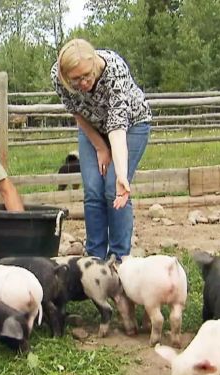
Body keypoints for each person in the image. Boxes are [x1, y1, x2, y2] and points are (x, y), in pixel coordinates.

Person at [51, 38, 152, 260]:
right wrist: (99, 147)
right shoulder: (58, 78)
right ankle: (95, 258)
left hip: (131, 125)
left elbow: (117, 127)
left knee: (112, 188)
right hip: (92, 126)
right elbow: (77, 112)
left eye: (87, 75)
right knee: (93, 190)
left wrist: (121, 175)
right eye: (75, 79)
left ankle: (118, 258)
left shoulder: (115, 70)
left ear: (95, 62)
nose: (83, 83)